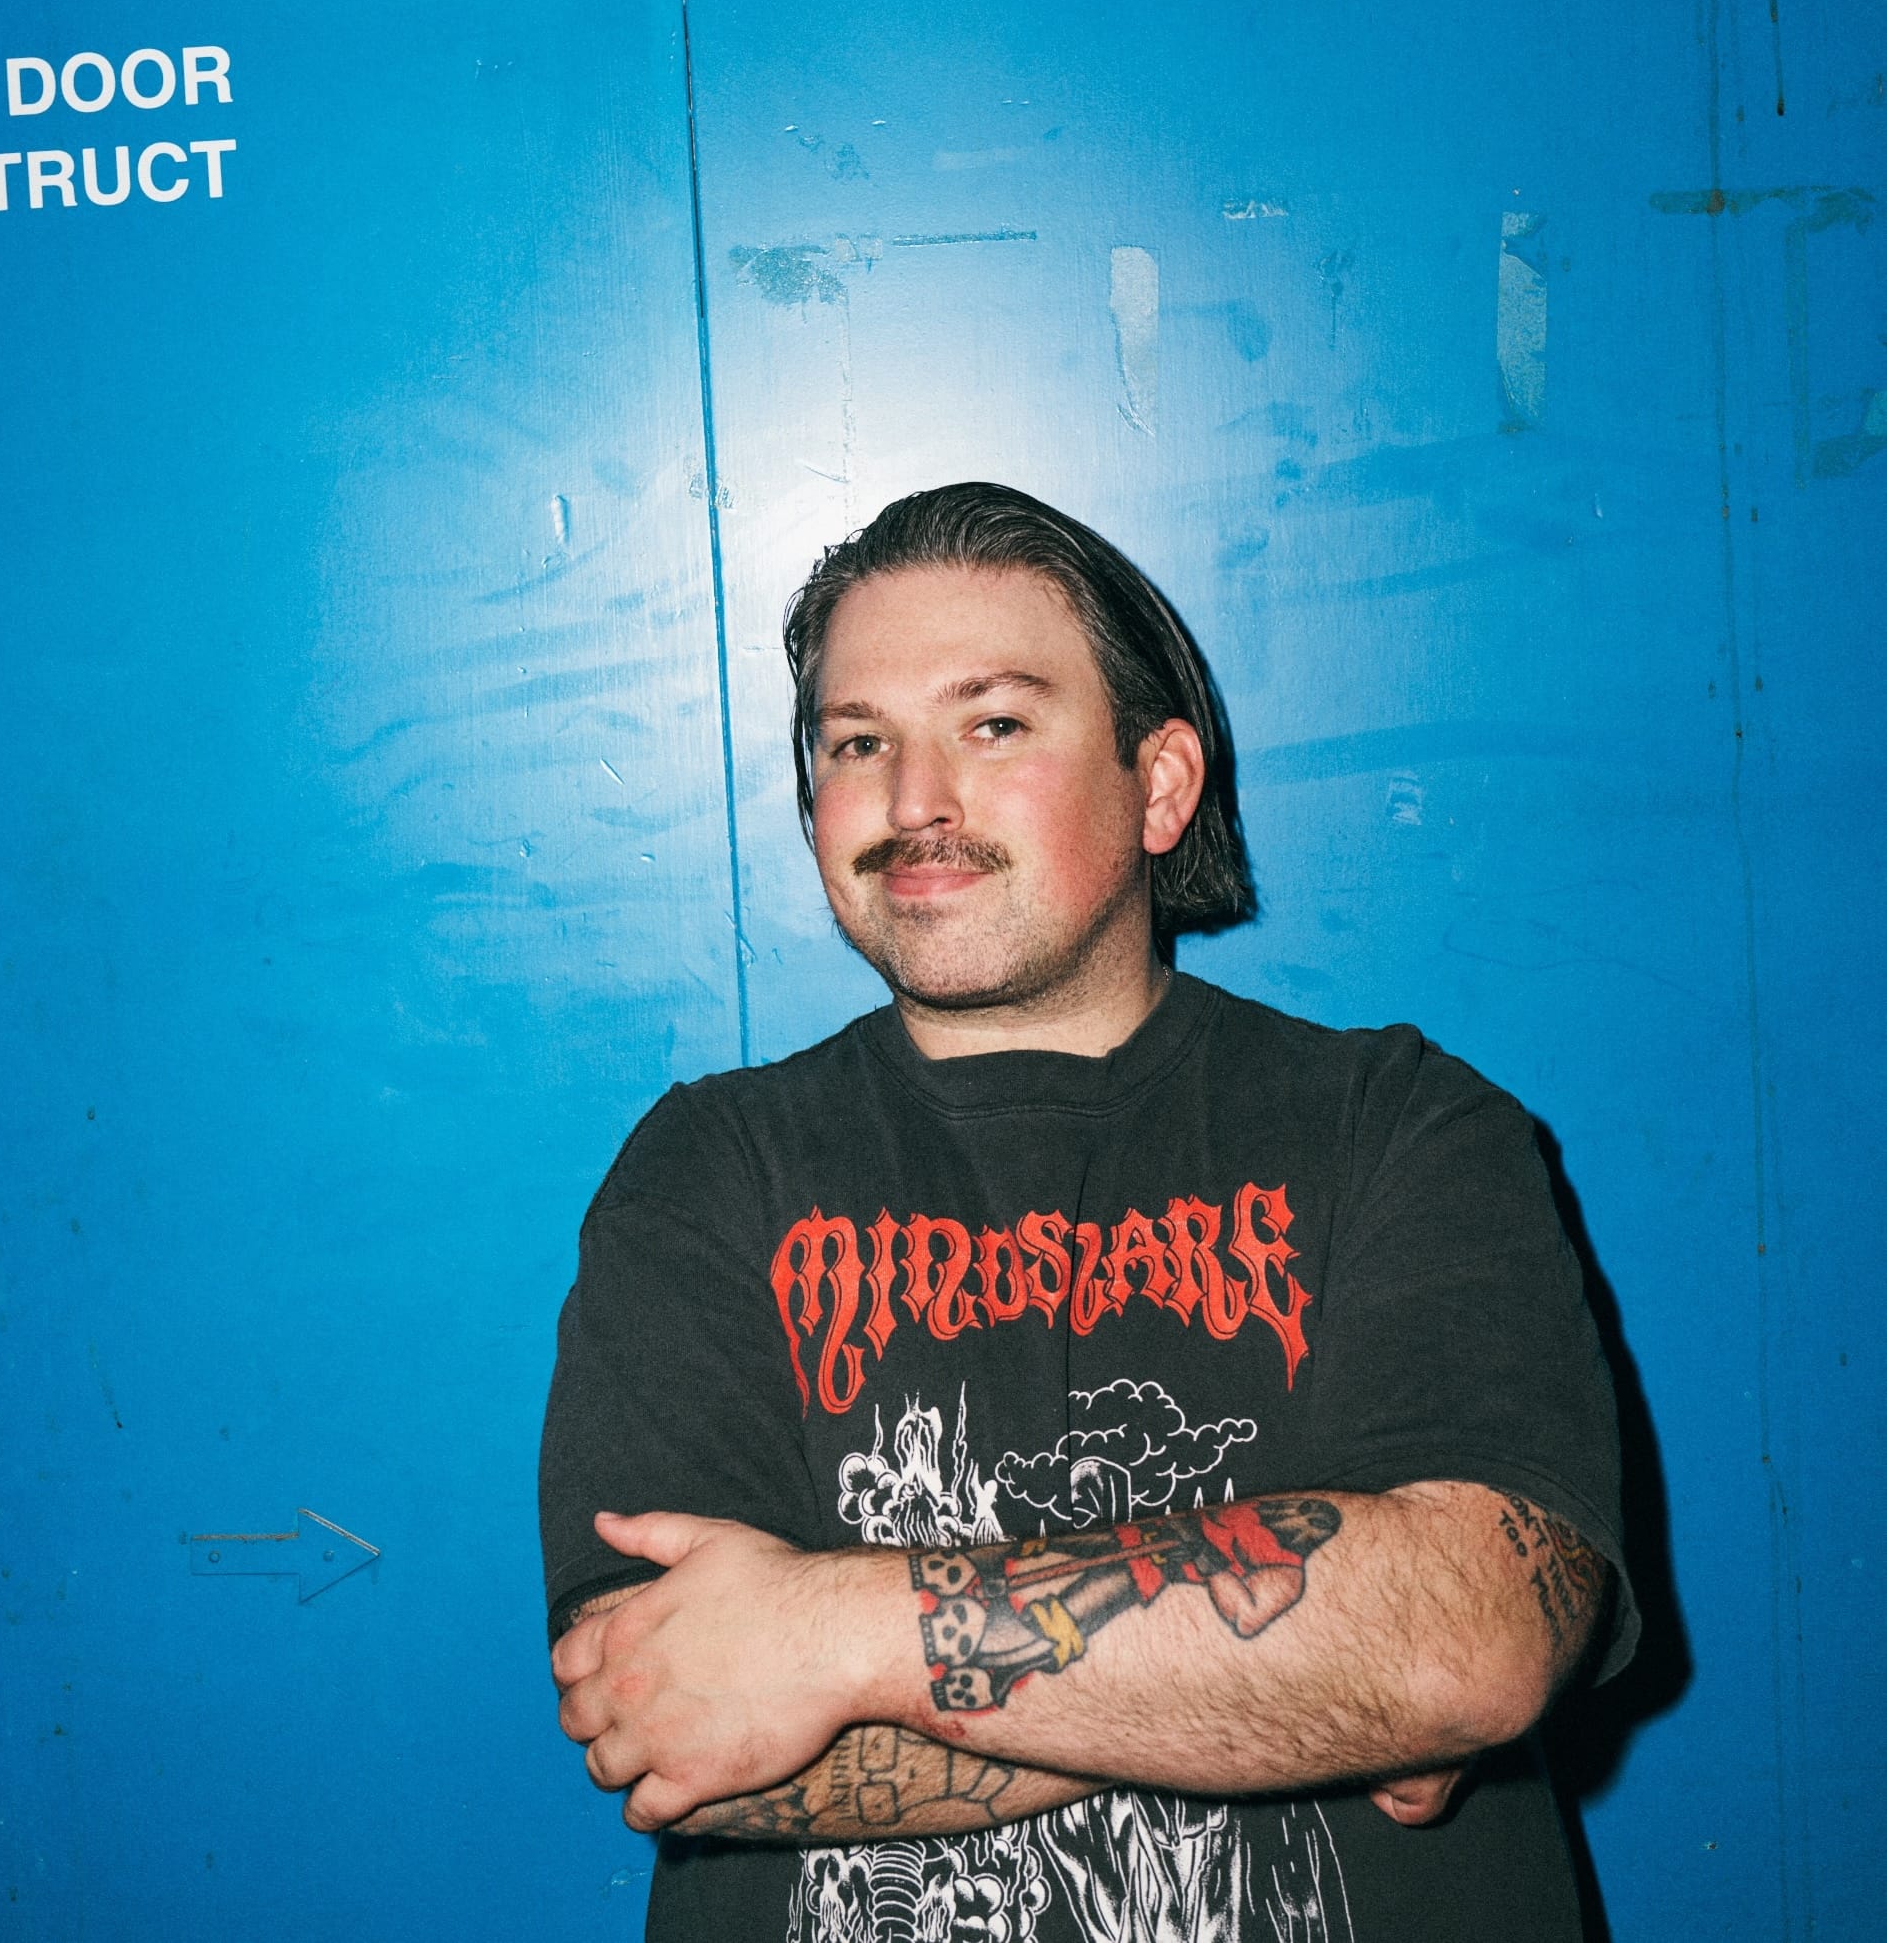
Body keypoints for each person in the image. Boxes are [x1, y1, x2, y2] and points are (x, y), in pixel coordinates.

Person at [539, 482, 1634, 1943]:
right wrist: (1313, 1684)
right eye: (858, 742)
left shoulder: (1404, 1126)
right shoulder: (706, 1168)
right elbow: (670, 1717)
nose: (914, 800)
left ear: (1160, 784)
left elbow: (1464, 1641)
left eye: (993, 724)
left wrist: (829, 1628)